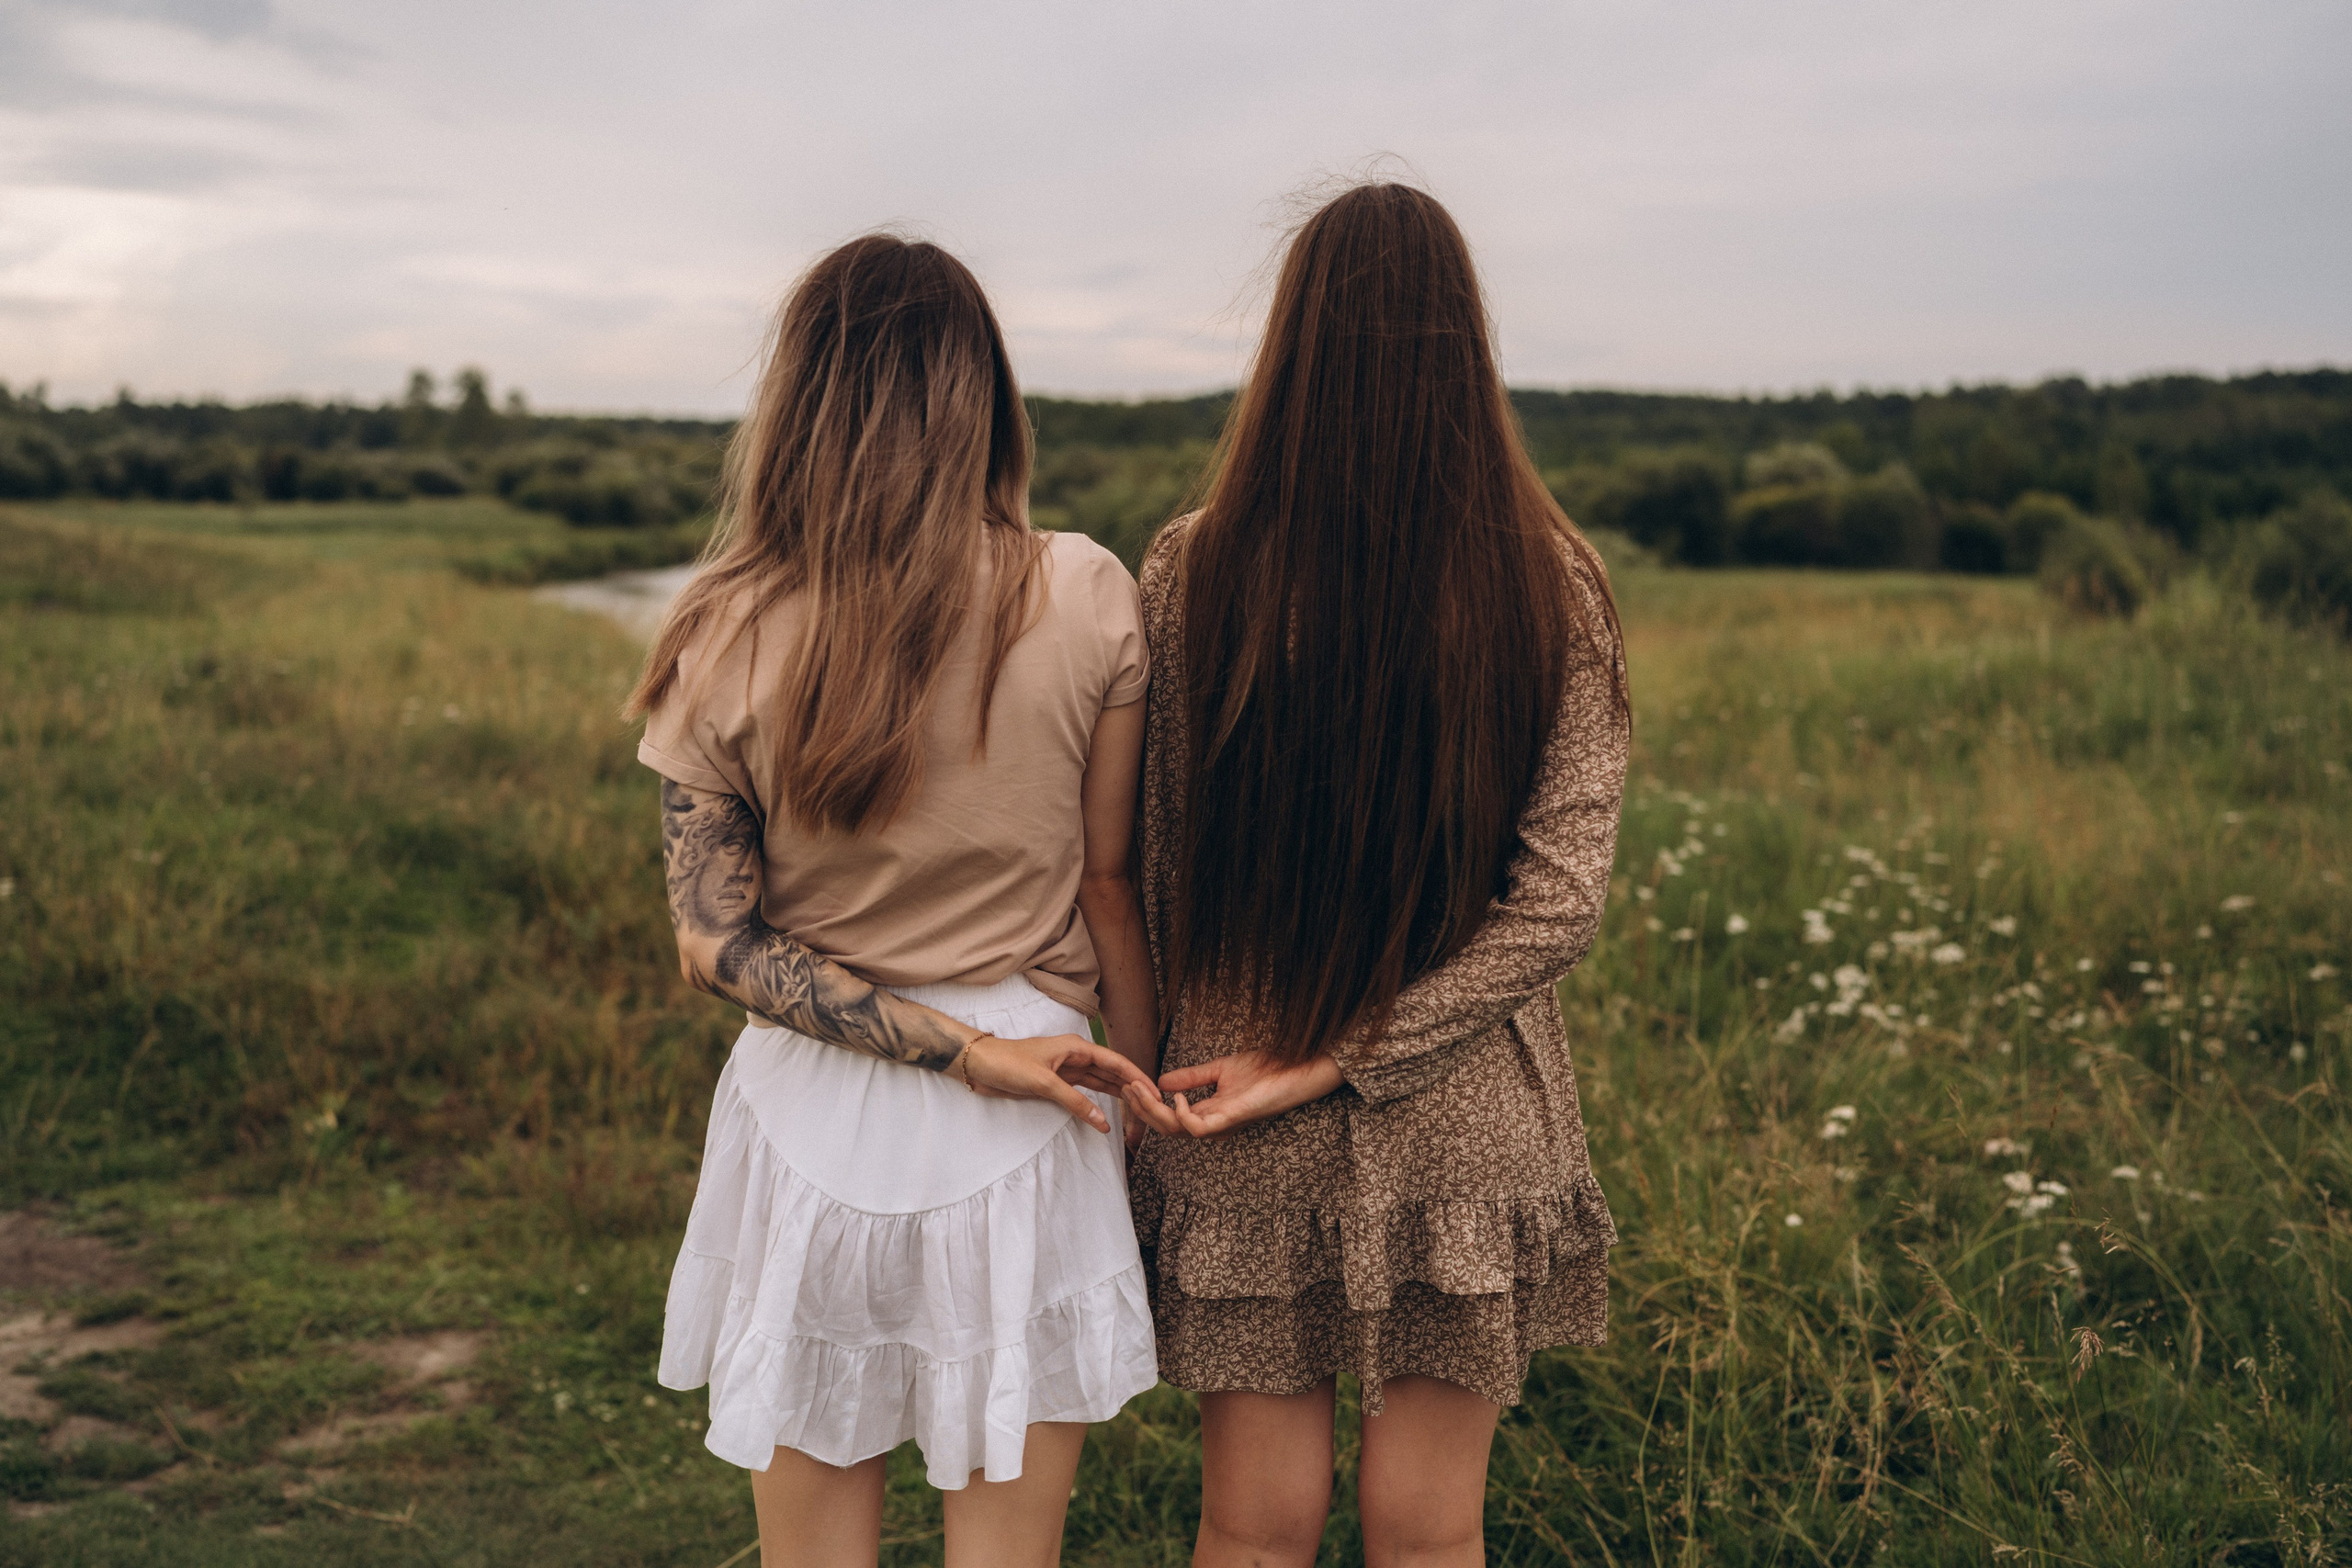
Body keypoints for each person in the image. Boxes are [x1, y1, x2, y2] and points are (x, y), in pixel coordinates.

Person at [628, 233, 1162, 1568]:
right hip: (1040, 1109)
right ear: (984, 394)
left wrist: (956, 1052)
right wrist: (1127, 1089)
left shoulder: (719, 628)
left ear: (798, 403)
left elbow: (715, 946)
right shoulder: (1086, 588)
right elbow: (1111, 882)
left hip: (810, 1121)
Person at [1117, 183, 1632, 1567]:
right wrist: (1355, 1050)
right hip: (1463, 1102)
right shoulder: (1552, 579)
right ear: (1467, 346)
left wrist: (1183, 1062)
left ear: (1291, 343)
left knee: (1251, 1528)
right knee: (1427, 1536)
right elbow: (1563, 901)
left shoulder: (1192, 567)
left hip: (1233, 1094)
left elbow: (1155, 861)